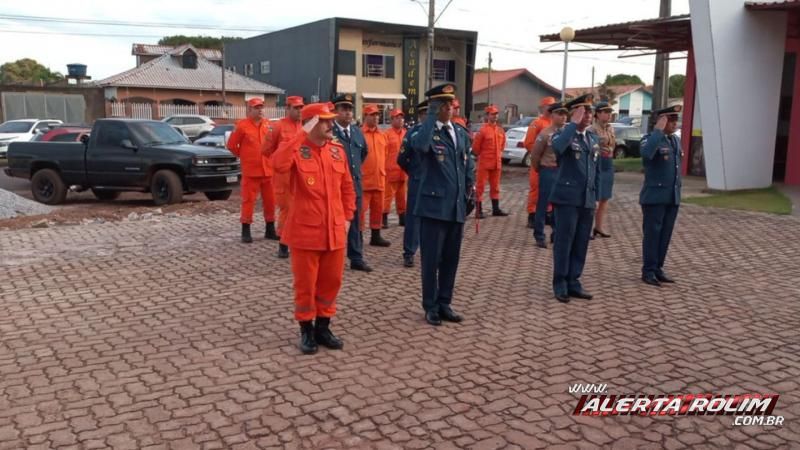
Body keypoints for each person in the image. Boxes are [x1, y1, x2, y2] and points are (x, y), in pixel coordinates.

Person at [272, 102, 356, 355]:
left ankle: (323, 326)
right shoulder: (297, 151)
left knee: (332, 282)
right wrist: (301, 134)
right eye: (325, 121)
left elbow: (348, 188)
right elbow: (277, 164)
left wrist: (349, 218)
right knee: (306, 285)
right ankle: (306, 329)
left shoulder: (337, 151)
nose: (332, 124)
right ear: (311, 124)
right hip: (306, 232)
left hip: (335, 230)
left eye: (331, 120)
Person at [408, 84, 475, 326]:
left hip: (455, 206)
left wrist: (471, 186)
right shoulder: (424, 132)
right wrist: (431, 118)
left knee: (450, 258)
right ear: (435, 107)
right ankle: (431, 305)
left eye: (451, 105)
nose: (450, 109)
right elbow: (420, 147)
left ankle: (445, 302)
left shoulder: (459, 132)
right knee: (431, 260)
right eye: (444, 105)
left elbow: (468, 160)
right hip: (433, 207)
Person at [549, 94, 600, 303]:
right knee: (564, 242)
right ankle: (560, 283)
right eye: (583, 111)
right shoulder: (563, 134)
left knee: (581, 242)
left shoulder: (592, 138)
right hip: (567, 198)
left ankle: (574, 281)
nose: (588, 115)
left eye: (589, 111)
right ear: (573, 113)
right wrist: (572, 124)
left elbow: (594, 170)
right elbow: (558, 148)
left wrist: (595, 195)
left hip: (586, 199)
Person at [640, 105, 683, 287]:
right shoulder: (650, 139)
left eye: (675, 120)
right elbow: (646, 154)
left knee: (665, 234)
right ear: (660, 121)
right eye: (669, 120)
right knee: (652, 234)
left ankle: (658, 267)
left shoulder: (674, 141)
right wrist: (658, 131)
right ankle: (648, 270)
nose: (673, 123)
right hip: (655, 197)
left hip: (671, 196)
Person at [331, 94, 373, 272]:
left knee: (356, 221)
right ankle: (333, 259)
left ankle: (356, 257)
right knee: (334, 223)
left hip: (354, 185)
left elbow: (363, 152)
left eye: (350, 109)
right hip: (334, 186)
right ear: (335, 112)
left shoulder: (356, 132)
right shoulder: (329, 132)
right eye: (343, 109)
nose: (348, 113)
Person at [226, 97, 276, 243]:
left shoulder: (268, 125)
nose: (260, 110)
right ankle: (246, 231)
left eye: (261, 107)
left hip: (268, 170)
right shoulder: (242, 126)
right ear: (249, 110)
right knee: (248, 201)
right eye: (257, 107)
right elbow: (232, 145)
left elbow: (273, 144)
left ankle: (270, 229)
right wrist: (244, 157)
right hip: (251, 171)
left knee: (271, 201)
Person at [263, 95, 305, 258]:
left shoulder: (304, 128)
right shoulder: (278, 126)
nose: (299, 111)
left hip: (300, 176)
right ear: (287, 109)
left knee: (300, 210)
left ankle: (297, 241)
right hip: (284, 176)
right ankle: (283, 244)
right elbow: (266, 150)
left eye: (301, 107)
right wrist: (279, 162)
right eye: (296, 108)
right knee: (287, 210)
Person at [530, 101, 568, 248]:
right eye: (560, 114)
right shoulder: (545, 133)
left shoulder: (568, 133)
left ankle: (556, 233)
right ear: (552, 115)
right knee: (543, 204)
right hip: (548, 170)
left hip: (562, 172)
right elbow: (535, 155)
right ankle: (539, 235)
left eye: (565, 114)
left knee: (560, 205)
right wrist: (540, 169)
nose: (563, 117)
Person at [398, 101, 428, 268]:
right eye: (424, 114)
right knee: (413, 219)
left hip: (435, 183)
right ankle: (409, 252)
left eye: (428, 113)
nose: (426, 116)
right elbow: (402, 158)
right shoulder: (412, 133)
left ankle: (431, 253)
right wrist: (414, 173)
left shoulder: (441, 132)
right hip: (418, 182)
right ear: (420, 116)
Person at [360, 104, 391, 247]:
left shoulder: (382, 135)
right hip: (364, 180)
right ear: (365, 116)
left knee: (378, 209)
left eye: (377, 115)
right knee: (360, 211)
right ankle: (358, 236)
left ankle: (375, 235)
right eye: (372, 115)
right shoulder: (359, 134)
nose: (376, 117)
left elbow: (384, 155)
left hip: (379, 178)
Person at [524, 97, 557, 228]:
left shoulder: (556, 124)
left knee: (550, 190)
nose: (550, 109)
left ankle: (547, 214)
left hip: (552, 164)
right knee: (536, 189)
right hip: (538, 163)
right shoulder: (537, 123)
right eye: (548, 106)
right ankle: (532, 215)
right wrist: (540, 155)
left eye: (552, 106)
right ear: (543, 108)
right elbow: (529, 143)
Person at [471, 104, 508, 218]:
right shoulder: (482, 131)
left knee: (496, 187)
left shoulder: (500, 130)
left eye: (496, 114)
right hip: (484, 163)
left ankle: (495, 209)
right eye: (492, 114)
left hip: (496, 163)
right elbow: (476, 148)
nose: (495, 116)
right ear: (487, 116)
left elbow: (502, 146)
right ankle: (478, 210)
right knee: (480, 186)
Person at [591, 101, 616, 239]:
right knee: (595, 196)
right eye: (605, 112)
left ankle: (599, 226)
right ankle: (588, 227)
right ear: (598, 114)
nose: (608, 115)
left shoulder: (610, 129)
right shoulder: (592, 129)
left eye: (610, 112)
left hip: (608, 162)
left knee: (605, 197)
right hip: (597, 162)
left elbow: (613, 144)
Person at [383, 108, 407, 228]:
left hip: (403, 171)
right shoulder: (387, 134)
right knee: (387, 197)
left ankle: (402, 218)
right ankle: (384, 218)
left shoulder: (405, 133)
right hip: (390, 170)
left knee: (402, 196)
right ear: (392, 120)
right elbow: (384, 153)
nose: (400, 120)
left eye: (401, 118)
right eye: (397, 118)